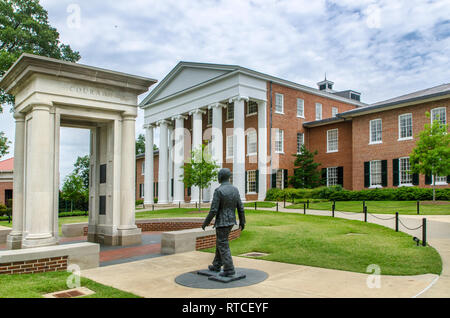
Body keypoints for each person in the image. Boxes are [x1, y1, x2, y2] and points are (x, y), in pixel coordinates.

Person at [202, 168, 245, 277]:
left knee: (222, 244)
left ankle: (229, 269)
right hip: (231, 221)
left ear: (221, 177)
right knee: (220, 242)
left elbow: (213, 210)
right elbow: (241, 207)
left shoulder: (219, 190)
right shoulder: (235, 189)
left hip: (222, 222)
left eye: (218, 175)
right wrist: (242, 221)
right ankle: (217, 265)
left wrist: (205, 222)